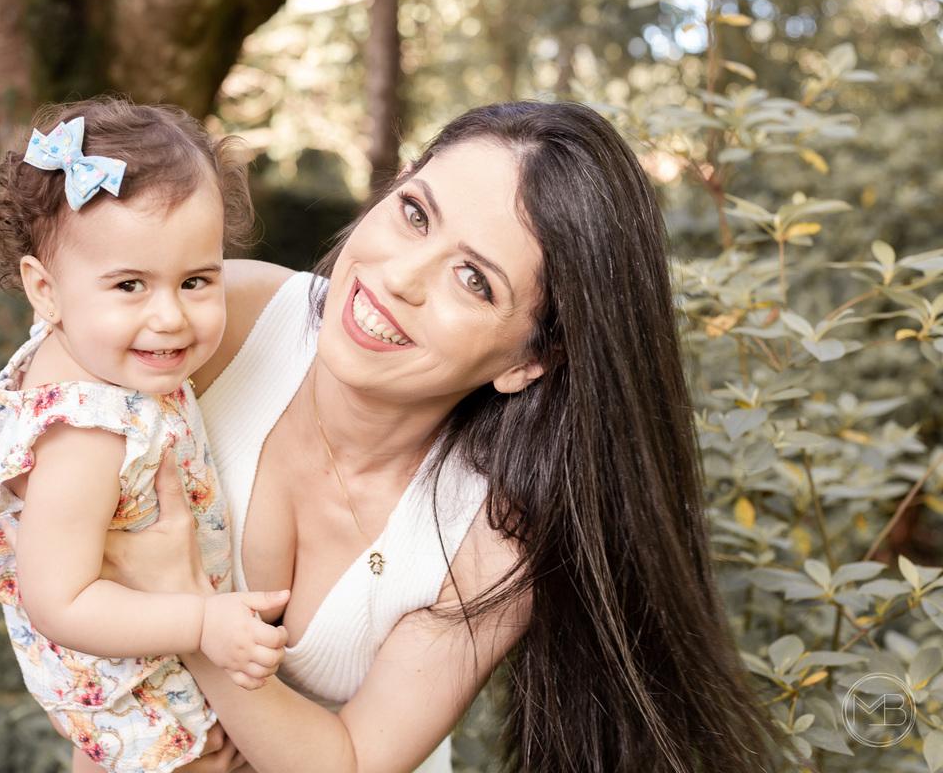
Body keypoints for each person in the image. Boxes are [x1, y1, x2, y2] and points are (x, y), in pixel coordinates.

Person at [101, 100, 787, 773]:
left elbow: (353, 762)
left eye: (474, 280)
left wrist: (186, 611)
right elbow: (47, 458)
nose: (400, 277)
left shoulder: (491, 542)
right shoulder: (222, 322)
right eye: (415, 214)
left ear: (531, 361)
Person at [0, 96, 290, 773]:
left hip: (161, 678)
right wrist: (201, 623)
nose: (170, 317)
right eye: (131, 285)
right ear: (45, 290)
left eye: (195, 280)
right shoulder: (86, 433)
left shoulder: (95, 354)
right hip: (147, 714)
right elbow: (61, 601)